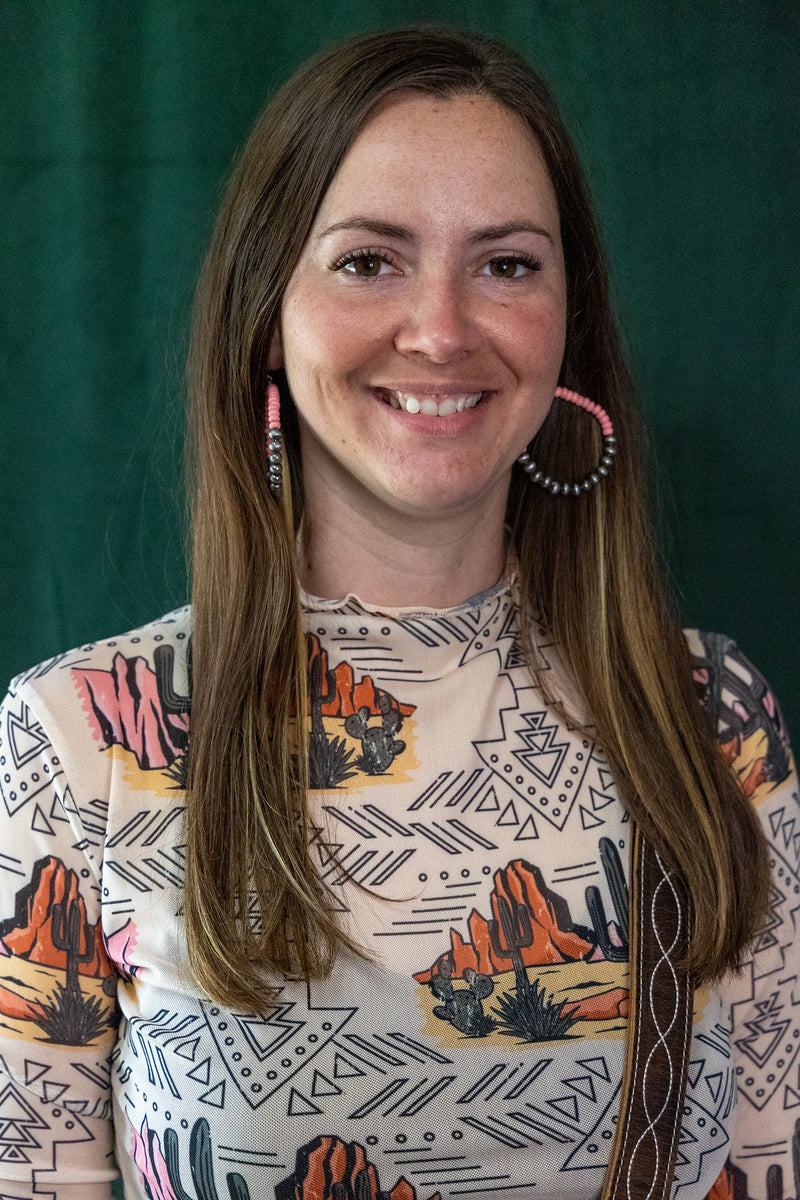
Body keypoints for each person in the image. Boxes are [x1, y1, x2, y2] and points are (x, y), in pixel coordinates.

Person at [0, 25, 795, 1200]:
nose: (439, 328)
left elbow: (773, 1159)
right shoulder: (73, 742)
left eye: (507, 265)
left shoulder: (712, 723)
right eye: (369, 260)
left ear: (567, 318)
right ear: (266, 310)